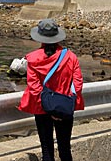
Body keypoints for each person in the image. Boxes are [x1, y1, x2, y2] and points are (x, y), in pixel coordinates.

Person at [18, 19, 84, 161]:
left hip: (42, 108)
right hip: (64, 106)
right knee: (65, 148)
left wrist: (50, 109)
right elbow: (77, 84)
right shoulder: (71, 57)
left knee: (47, 149)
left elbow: (34, 87)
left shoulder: (33, 58)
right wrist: (62, 106)